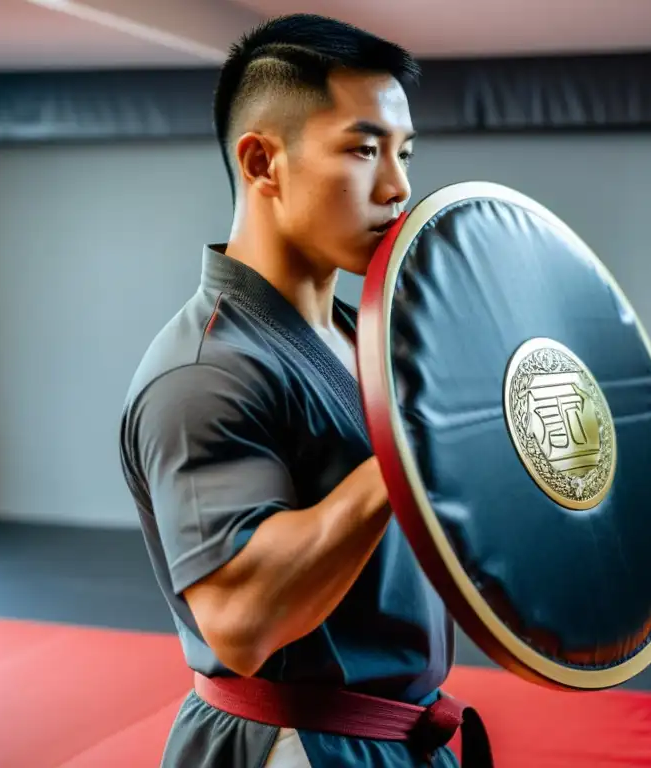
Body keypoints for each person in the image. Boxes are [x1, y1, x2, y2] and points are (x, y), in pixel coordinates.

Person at [117, 13, 478, 768]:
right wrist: (410, 453)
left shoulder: (365, 338)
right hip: (295, 747)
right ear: (262, 161)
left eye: (405, 152)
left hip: (400, 734)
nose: (398, 185)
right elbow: (241, 624)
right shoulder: (206, 371)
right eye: (363, 148)